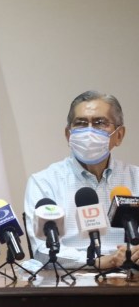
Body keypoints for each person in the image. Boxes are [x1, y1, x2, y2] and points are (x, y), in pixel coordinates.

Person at [24, 90, 139, 270]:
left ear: (119, 135)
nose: (89, 131)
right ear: (68, 135)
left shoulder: (136, 179)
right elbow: (43, 250)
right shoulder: (45, 182)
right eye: (81, 123)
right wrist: (101, 261)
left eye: (100, 123)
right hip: (71, 278)